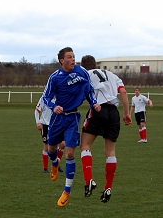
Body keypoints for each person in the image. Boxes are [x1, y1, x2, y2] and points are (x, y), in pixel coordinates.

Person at [42, 47, 101, 207]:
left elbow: (89, 91)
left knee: (69, 153)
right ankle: (54, 163)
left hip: (73, 118)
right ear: (62, 60)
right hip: (57, 118)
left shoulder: (82, 72)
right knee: (51, 149)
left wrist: (94, 103)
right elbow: (46, 97)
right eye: (69, 57)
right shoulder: (55, 77)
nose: (73, 59)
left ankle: (67, 190)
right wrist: (54, 106)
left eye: (74, 56)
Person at [80, 55, 132, 203]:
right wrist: (127, 113)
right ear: (96, 64)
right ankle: (108, 187)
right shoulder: (112, 75)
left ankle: (89, 179)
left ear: (84, 66)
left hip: (98, 109)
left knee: (85, 145)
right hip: (113, 112)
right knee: (110, 151)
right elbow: (123, 92)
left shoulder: (85, 74)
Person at [34, 96, 65, 173]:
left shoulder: (60, 97)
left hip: (57, 124)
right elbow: (37, 111)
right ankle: (45, 168)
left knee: (62, 144)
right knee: (47, 146)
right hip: (45, 125)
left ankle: (57, 164)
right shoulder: (43, 99)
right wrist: (38, 122)